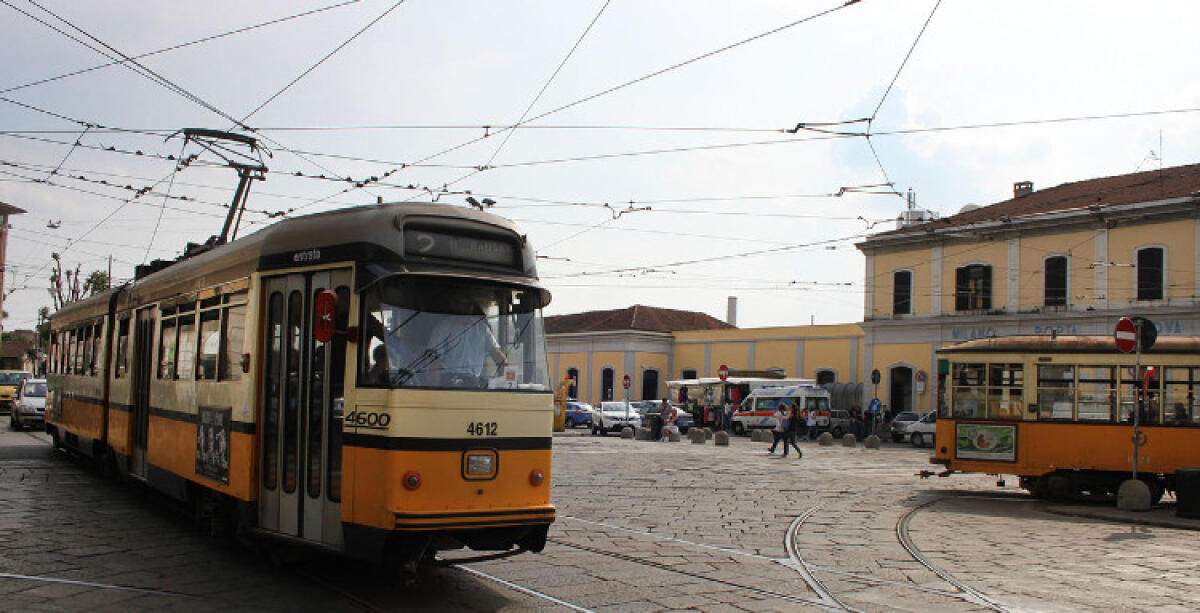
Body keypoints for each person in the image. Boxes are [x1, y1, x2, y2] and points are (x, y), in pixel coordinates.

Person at [428, 298, 507, 386]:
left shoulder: (482, 328)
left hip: (473, 383)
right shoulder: (443, 328)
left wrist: (511, 375)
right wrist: (434, 389)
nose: (467, 308)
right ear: (455, 305)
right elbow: (435, 362)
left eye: (470, 304)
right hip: (449, 382)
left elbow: (496, 354)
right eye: (464, 304)